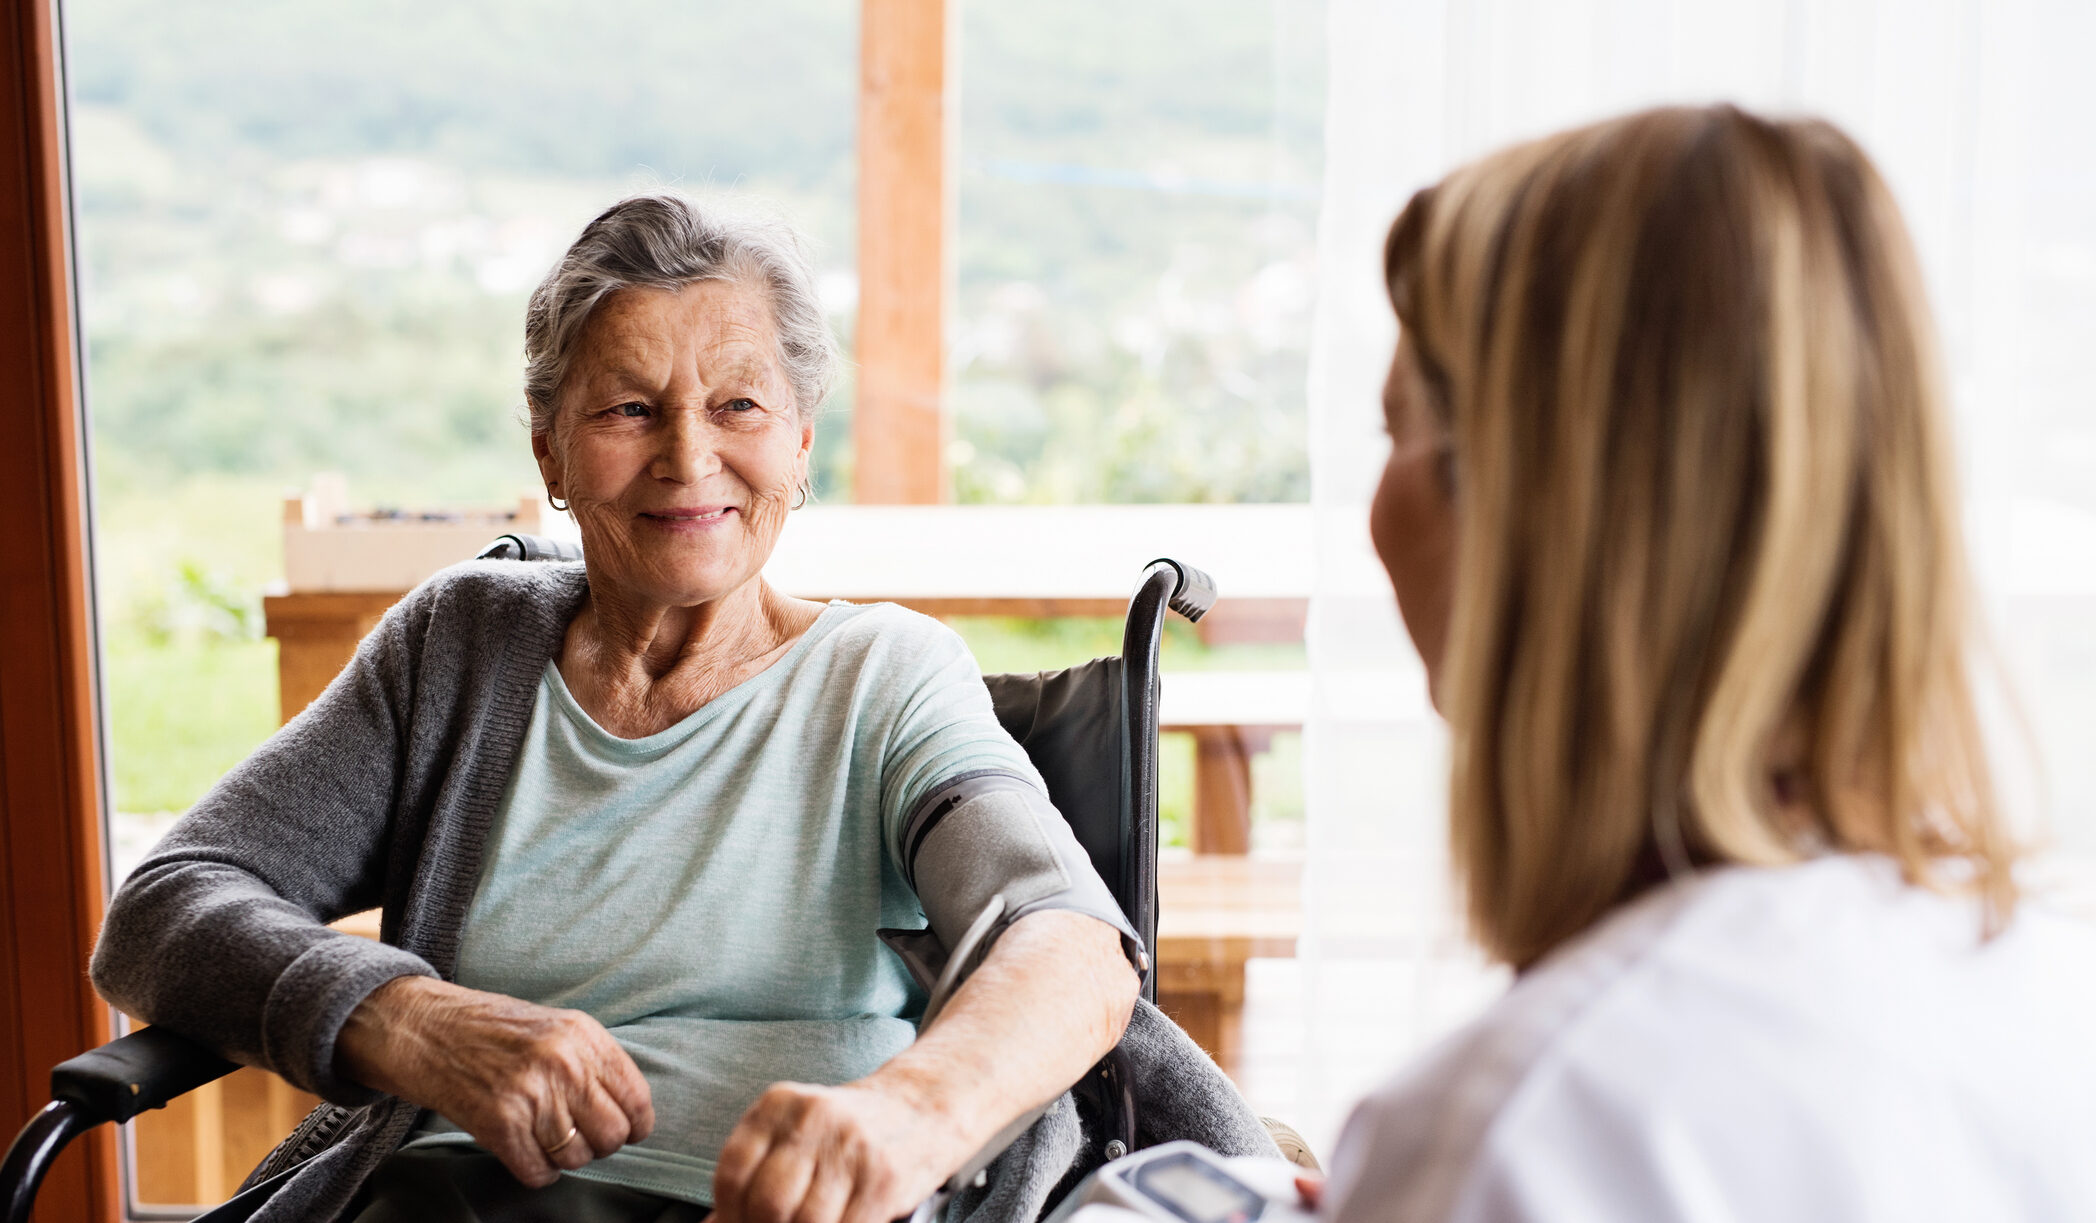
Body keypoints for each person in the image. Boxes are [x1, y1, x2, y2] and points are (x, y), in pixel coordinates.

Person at [90, 193, 1149, 1223]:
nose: (688, 457)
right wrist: (401, 1017)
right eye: (628, 408)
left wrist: (909, 1115)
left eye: (738, 405)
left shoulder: (885, 673)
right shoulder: (459, 644)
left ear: (799, 440)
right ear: (549, 447)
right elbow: (166, 904)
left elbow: (1065, 940)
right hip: (453, 1195)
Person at [1319, 104, 2096, 1221]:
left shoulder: (1518, 1128)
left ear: (1525, 512)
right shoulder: (2048, 993)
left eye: (1393, 429)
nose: (1370, 514)